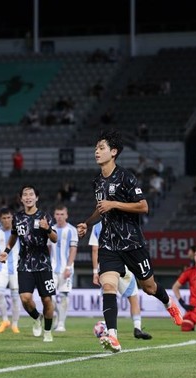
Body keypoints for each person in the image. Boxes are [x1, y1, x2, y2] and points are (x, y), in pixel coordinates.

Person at [76, 130, 182, 353]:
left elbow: (143, 206)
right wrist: (88, 223)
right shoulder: (97, 182)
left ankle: (169, 303)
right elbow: (100, 210)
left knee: (149, 287)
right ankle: (113, 336)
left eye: (101, 148)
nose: (97, 151)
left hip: (132, 243)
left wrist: (114, 204)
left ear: (113, 152)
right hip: (109, 245)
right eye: (96, 148)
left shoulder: (126, 176)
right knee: (108, 286)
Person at [0, 185, 57, 342]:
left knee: (47, 300)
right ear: (21, 198)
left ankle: (48, 331)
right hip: (24, 264)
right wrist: (6, 251)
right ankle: (37, 317)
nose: (28, 197)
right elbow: (13, 237)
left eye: (31, 194)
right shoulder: (17, 218)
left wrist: (48, 229)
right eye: (25, 195)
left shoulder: (45, 216)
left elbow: (55, 238)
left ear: (36, 198)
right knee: (25, 298)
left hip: (43, 265)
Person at [89, 221, 152, 340]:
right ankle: (137, 327)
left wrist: (95, 271)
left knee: (109, 297)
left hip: (107, 267)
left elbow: (95, 250)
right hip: (124, 266)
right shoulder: (123, 222)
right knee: (133, 299)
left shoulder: (97, 227)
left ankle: (110, 329)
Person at [48, 204, 78, 332]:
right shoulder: (50, 229)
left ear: (66, 215)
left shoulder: (71, 230)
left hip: (66, 268)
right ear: (54, 215)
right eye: (57, 214)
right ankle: (57, 318)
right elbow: (48, 249)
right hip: (52, 268)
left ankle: (61, 323)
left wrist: (68, 267)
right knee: (50, 297)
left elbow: (73, 249)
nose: (59, 217)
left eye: (62, 214)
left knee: (64, 296)